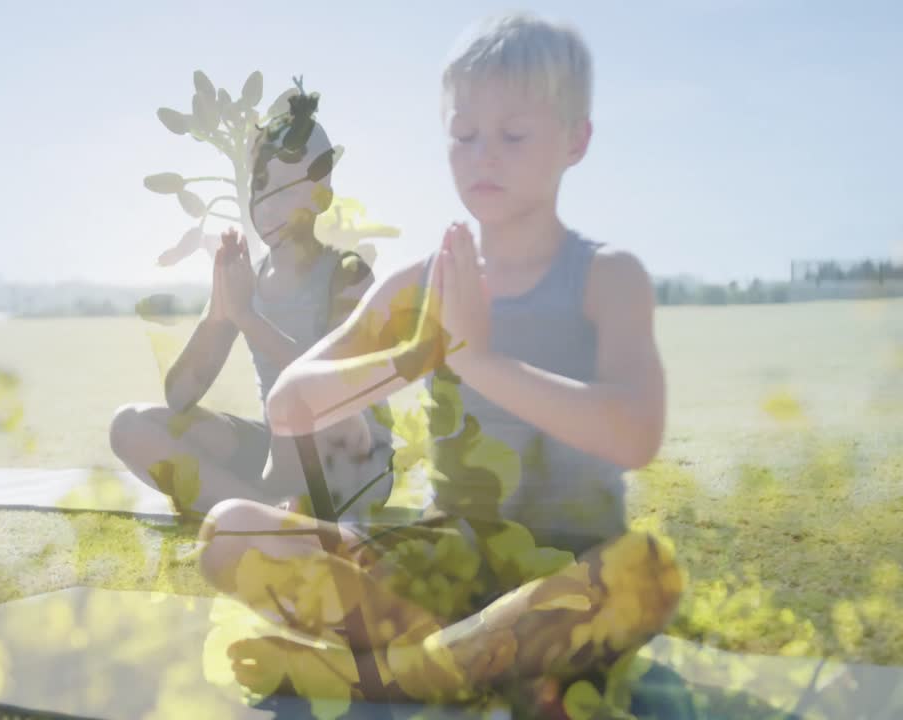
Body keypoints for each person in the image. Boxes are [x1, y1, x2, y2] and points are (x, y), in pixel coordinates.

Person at [196, 13, 701, 717]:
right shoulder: (420, 283)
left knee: (648, 570)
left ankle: (380, 675)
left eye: (513, 135)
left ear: (575, 140)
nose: (483, 156)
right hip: (439, 565)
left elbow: (635, 435)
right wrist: (411, 357)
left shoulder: (606, 277)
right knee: (230, 532)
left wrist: (480, 363)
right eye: (465, 136)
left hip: (565, 570)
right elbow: (290, 404)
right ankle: (453, 661)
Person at [109, 80, 395, 520]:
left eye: (286, 190)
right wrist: (220, 311)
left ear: (321, 194)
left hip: (352, 458)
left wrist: (246, 317)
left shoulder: (347, 273)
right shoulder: (250, 278)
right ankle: (267, 511)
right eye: (260, 187)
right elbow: (180, 396)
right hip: (280, 451)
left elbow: (335, 391)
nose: (268, 205)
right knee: (130, 426)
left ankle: (247, 508)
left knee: (293, 410)